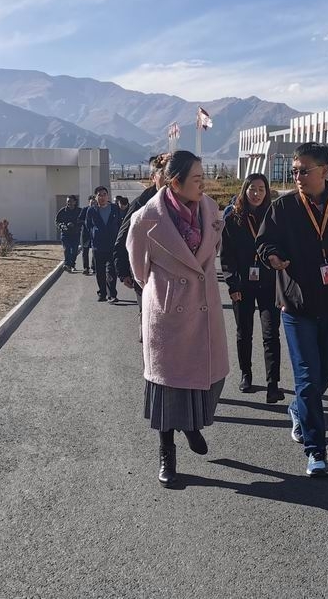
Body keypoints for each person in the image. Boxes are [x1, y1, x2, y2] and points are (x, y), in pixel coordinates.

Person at [256, 142, 328, 478]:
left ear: (324, 171)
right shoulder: (283, 207)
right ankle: (316, 450)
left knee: (326, 370)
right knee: (307, 377)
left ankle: (299, 409)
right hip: (296, 303)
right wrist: (272, 256)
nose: (297, 176)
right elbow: (264, 242)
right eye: (294, 170)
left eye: (303, 170)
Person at [126, 150, 228, 488]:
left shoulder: (210, 208)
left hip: (203, 306)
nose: (203, 184)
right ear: (175, 182)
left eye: (203, 177)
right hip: (169, 314)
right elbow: (139, 270)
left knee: (210, 377)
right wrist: (165, 291)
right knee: (166, 389)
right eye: (196, 179)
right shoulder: (146, 218)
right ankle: (166, 453)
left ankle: (191, 425)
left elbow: (213, 251)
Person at [221, 173, 283, 403]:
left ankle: (273, 384)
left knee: (271, 333)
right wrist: (232, 284)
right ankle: (245, 374)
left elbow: (282, 246)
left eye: (261, 189)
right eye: (252, 189)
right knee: (244, 332)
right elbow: (226, 256)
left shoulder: (274, 217)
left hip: (269, 283)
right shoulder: (233, 218)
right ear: (244, 190)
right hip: (242, 285)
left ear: (267, 192)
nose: (256, 193)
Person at [115, 153, 170, 298]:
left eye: (172, 175)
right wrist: (123, 271)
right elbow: (124, 237)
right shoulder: (141, 204)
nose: (168, 180)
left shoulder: (185, 205)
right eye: (164, 175)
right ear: (153, 177)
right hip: (147, 274)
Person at [84, 186, 122, 303]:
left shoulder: (115, 208)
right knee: (100, 271)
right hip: (98, 245)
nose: (102, 197)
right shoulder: (91, 211)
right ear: (96, 197)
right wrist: (94, 235)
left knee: (111, 270)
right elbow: (88, 225)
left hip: (112, 244)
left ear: (108, 196)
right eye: (99, 195)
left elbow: (120, 224)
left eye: (104, 194)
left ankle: (112, 294)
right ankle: (102, 293)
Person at [55, 195, 82, 272]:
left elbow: (83, 221)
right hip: (65, 234)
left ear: (75, 202)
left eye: (71, 201)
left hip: (75, 234)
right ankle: (67, 264)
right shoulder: (63, 211)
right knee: (67, 249)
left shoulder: (79, 211)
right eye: (68, 201)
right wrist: (61, 225)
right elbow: (57, 221)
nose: (69, 203)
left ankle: (72, 264)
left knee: (74, 250)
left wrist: (75, 225)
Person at [79, 194, 96, 275]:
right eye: (92, 202)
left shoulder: (98, 210)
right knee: (85, 251)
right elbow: (79, 220)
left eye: (94, 202)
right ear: (89, 202)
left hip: (95, 234)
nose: (93, 204)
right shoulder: (85, 210)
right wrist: (86, 222)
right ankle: (86, 268)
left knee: (95, 251)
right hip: (85, 234)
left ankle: (94, 267)